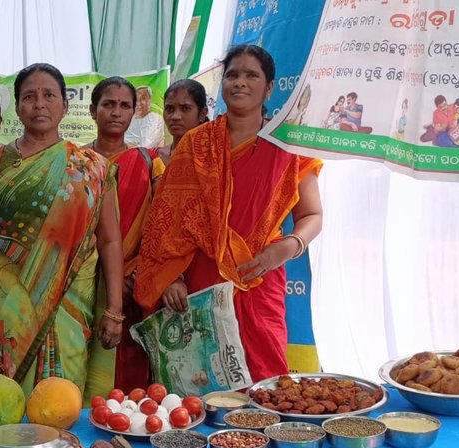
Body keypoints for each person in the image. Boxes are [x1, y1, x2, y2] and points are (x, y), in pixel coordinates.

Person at [134, 44, 323, 383]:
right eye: (233, 75)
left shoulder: (289, 146)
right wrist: (169, 275)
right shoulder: (196, 144)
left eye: (252, 75)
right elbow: (165, 220)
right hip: (201, 281)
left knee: (264, 381)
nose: (240, 82)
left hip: (260, 276)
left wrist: (287, 247)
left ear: (268, 88)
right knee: (201, 382)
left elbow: (312, 215)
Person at [0, 63, 125, 401]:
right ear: (17, 108)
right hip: (6, 301)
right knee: (3, 401)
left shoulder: (91, 166)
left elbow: (109, 239)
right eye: (29, 97)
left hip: (71, 302)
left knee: (64, 400)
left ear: (64, 105)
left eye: (49, 96)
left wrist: (115, 309)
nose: (40, 104)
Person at [84, 77, 166, 390]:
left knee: (130, 378)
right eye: (108, 104)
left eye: (124, 106)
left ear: (134, 113)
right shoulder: (75, 161)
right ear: (93, 110)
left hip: (134, 285)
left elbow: (161, 226)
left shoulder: (149, 163)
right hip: (82, 283)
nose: (116, 112)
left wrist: (137, 272)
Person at [158, 79, 208, 165]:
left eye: (185, 108)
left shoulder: (213, 159)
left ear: (202, 114)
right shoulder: (154, 158)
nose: (175, 117)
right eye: (169, 109)